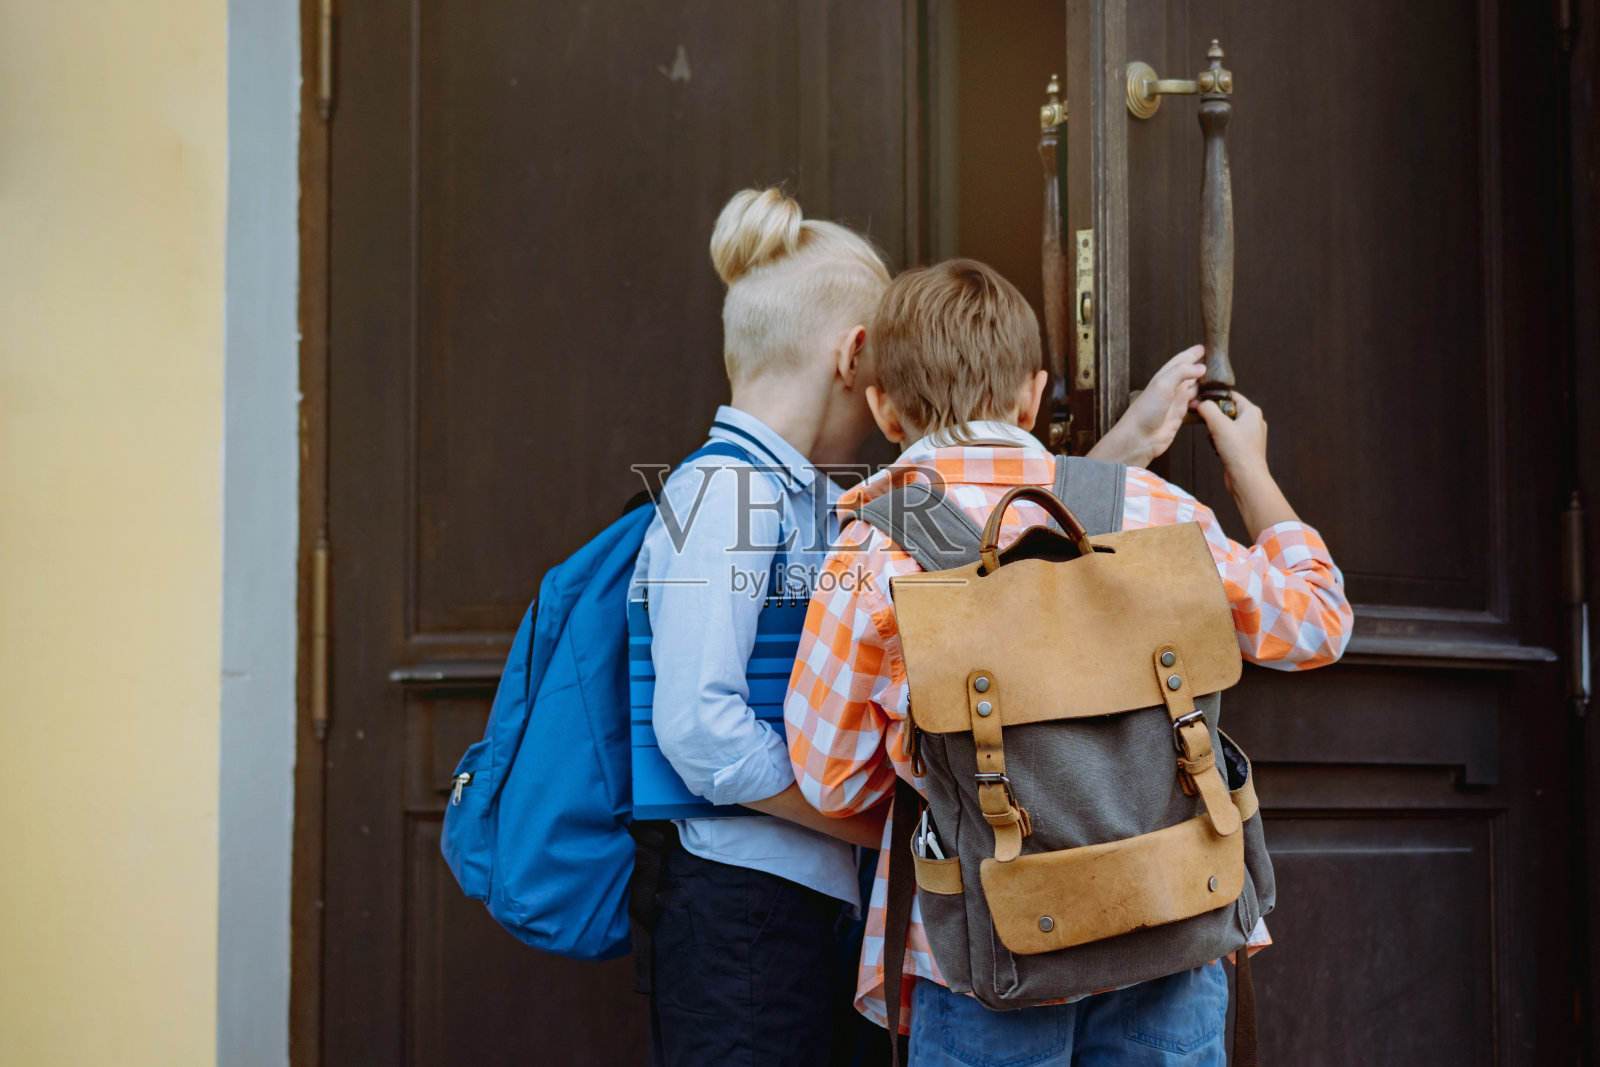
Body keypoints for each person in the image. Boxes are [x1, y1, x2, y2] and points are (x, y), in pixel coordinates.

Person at [783, 258, 1353, 1065]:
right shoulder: (1152, 510)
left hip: (989, 953)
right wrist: (1249, 469)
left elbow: (835, 777)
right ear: (1033, 391)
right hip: (1174, 923)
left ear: (883, 407)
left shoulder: (875, 547)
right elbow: (1320, 623)